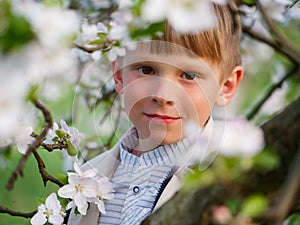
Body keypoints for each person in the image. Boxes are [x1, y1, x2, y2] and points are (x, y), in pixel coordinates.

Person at [67, 1, 243, 225]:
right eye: (146, 70)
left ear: (225, 86)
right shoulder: (85, 178)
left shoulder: (229, 184)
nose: (162, 95)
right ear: (119, 76)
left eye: (188, 76)